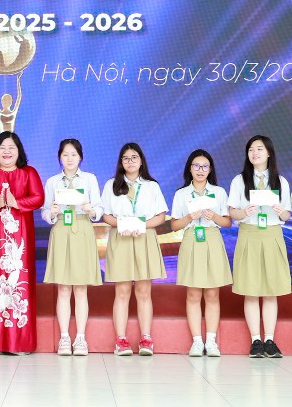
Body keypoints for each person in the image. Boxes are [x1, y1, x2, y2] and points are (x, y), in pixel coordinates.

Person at [0, 131, 45, 354]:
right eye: (2, 148)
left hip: (21, 236)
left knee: (19, 281)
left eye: (11, 147)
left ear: (19, 151)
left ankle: (19, 343)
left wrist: (17, 202)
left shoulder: (29, 173)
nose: (6, 151)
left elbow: (39, 198)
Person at [227, 135, 292, 358]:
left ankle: (269, 340)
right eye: (251, 150)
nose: (255, 153)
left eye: (259, 149)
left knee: (271, 290)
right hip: (249, 234)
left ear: (269, 153)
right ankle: (256, 340)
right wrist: (243, 212)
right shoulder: (239, 180)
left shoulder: (280, 181)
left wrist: (280, 210)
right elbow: (232, 212)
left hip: (272, 234)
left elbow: (287, 215)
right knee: (251, 289)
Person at [101, 143, 168, 356]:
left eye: (134, 157)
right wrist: (123, 224)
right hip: (120, 238)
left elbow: (161, 216)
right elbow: (105, 215)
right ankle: (120, 340)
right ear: (121, 162)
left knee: (143, 291)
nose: (130, 161)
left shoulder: (151, 186)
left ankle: (146, 339)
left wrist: (140, 225)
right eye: (126, 158)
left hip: (144, 238)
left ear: (141, 161)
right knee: (122, 291)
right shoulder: (111, 184)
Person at [41, 138, 103, 356]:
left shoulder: (89, 179)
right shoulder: (52, 182)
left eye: (73, 155)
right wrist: (52, 213)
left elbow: (99, 209)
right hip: (61, 230)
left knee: (81, 288)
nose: (69, 159)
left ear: (80, 157)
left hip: (83, 228)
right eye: (65, 155)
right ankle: (65, 338)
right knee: (64, 288)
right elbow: (44, 211)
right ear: (60, 157)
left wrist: (90, 210)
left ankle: (81, 338)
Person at [170, 149, 232, 357]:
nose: (200, 170)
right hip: (191, 239)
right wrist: (189, 217)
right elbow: (174, 225)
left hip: (212, 238)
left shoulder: (219, 192)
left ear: (210, 169)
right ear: (190, 168)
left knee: (212, 293)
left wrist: (213, 216)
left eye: (205, 166)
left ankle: (211, 341)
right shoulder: (181, 194)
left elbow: (227, 222)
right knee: (194, 293)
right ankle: (197, 341)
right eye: (196, 166)